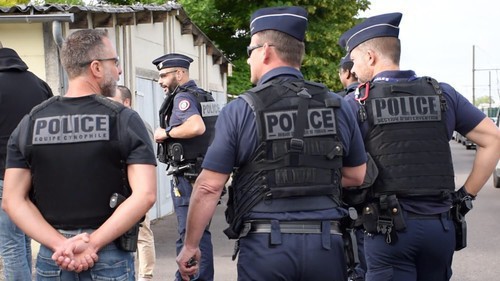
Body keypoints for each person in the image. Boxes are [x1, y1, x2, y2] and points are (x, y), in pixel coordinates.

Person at [176, 6, 367, 281]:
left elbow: (208, 186)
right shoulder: (338, 105)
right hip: (327, 245)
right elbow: (357, 175)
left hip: (266, 247)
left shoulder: (241, 109)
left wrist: (191, 246)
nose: (249, 60)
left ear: (265, 51)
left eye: (249, 51)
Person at [339, 12, 500, 281]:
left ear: (370, 57)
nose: (352, 70)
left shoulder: (355, 103)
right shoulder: (442, 93)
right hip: (440, 229)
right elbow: (493, 139)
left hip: (387, 233)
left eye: (354, 60)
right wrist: (466, 197)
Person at [2, 29, 157, 280]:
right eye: (114, 62)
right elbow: (145, 194)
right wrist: (93, 243)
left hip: (53, 257)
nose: (118, 71)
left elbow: (12, 200)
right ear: (96, 67)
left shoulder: (31, 122)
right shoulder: (123, 119)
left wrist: (59, 244)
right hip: (108, 254)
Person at [152, 53, 217, 281]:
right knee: (199, 233)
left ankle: (193, 278)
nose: (160, 81)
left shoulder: (184, 98)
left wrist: (166, 133)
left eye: (163, 75)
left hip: (188, 176)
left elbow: (197, 127)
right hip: (202, 172)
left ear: (179, 73)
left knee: (189, 236)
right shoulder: (204, 96)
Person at [0, 42, 53, 280]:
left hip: (3, 177)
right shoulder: (39, 84)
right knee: (23, 240)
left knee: (11, 246)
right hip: (36, 177)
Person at [110, 85, 157, 281]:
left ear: (126, 102)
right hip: (119, 190)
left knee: (142, 234)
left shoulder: (137, 124)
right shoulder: (115, 123)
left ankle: (145, 276)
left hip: (135, 190)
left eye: (113, 100)